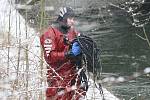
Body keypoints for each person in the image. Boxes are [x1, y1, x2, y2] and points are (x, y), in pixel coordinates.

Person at [40, 7, 86, 100]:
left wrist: (84, 44)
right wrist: (68, 54)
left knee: (79, 95)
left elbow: (81, 40)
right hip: (57, 76)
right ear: (63, 18)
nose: (73, 21)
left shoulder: (72, 31)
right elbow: (49, 57)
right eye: (70, 18)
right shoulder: (49, 33)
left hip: (73, 75)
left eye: (74, 19)